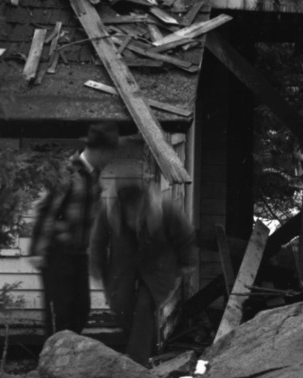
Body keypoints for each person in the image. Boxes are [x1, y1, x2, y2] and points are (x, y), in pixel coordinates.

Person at [88, 156, 197, 363]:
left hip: (158, 267)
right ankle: (144, 348)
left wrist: (185, 264)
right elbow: (98, 243)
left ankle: (136, 361)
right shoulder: (110, 212)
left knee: (145, 307)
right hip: (123, 267)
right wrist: (98, 269)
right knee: (122, 306)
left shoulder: (163, 208)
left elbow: (184, 236)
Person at [27, 122, 117, 337]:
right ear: (100, 151)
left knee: (81, 309)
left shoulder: (93, 176)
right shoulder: (68, 173)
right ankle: (53, 360)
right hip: (56, 253)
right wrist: (37, 250)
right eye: (109, 154)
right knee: (60, 313)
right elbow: (46, 210)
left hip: (78, 254)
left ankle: (68, 358)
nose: (109, 159)